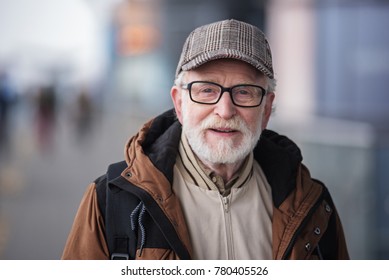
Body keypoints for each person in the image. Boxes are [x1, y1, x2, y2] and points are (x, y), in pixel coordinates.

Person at [62, 19, 349, 260]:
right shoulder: (111, 201)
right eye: (206, 90)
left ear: (266, 109)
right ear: (179, 104)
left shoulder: (313, 206)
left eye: (245, 92)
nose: (225, 111)